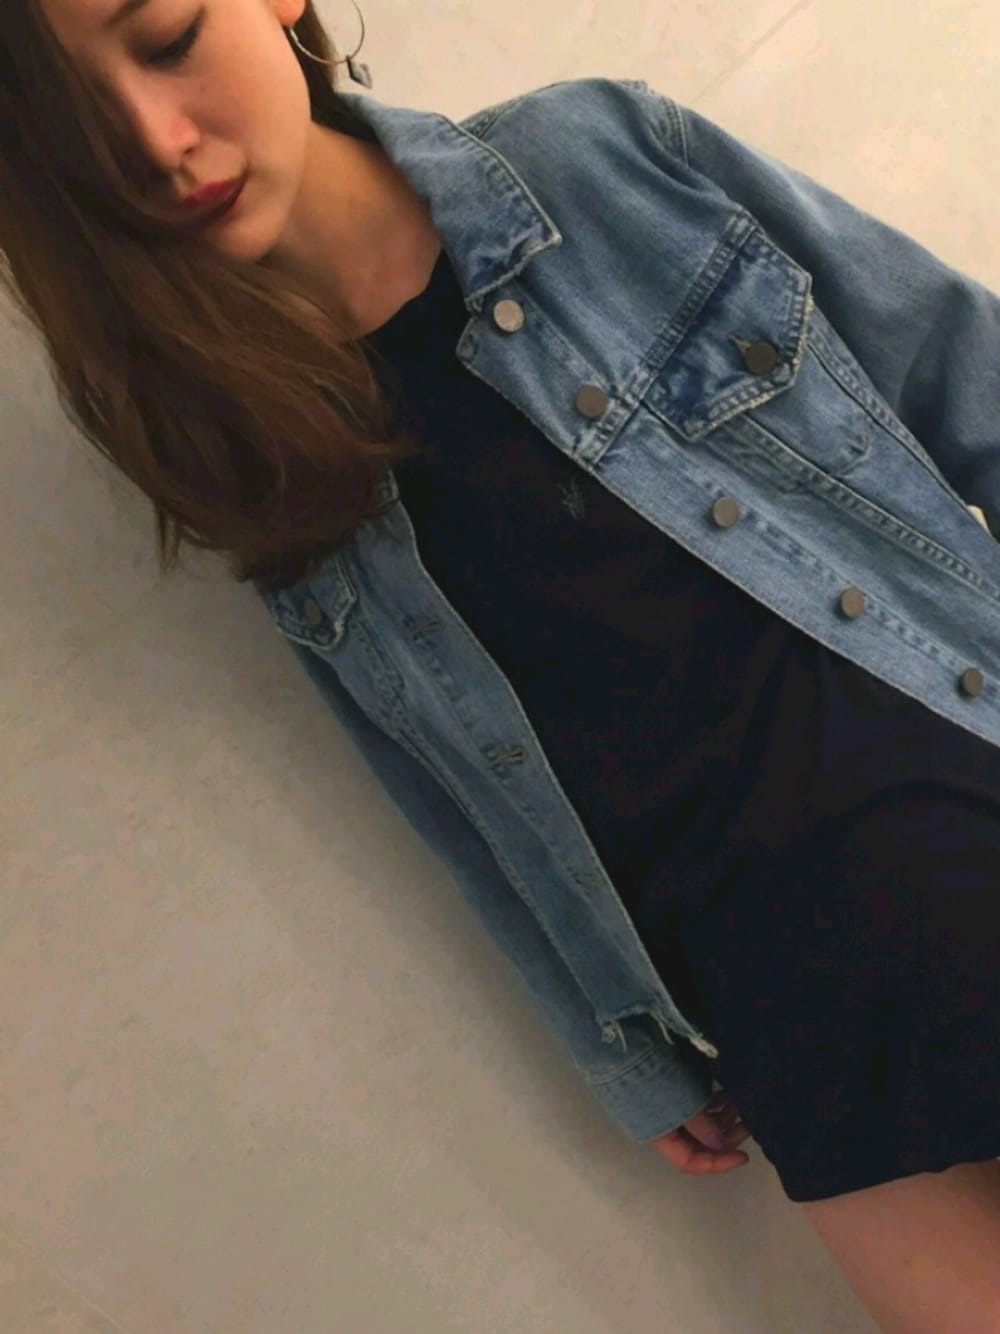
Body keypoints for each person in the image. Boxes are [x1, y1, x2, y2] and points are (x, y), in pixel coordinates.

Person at [2, 1, 998, 1327]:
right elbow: (443, 783)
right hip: (782, 1010)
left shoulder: (590, 164)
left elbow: (960, 368)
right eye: (77, 126)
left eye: (170, 35)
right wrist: (616, 1035)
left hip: (952, 814)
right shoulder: (240, 436)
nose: (153, 143)